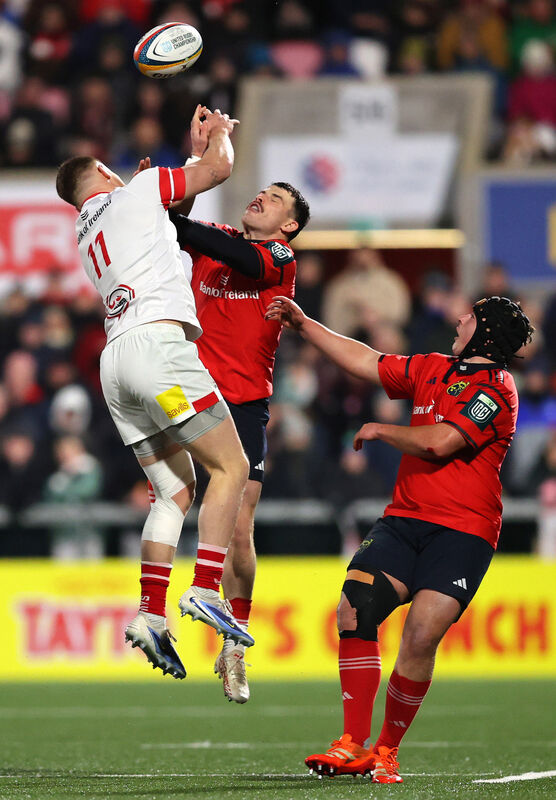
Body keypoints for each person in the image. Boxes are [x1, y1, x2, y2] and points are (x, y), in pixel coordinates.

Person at [265, 293, 534, 783]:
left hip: (464, 532)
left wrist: (380, 429)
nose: (458, 318)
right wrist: (305, 325)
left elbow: (440, 442)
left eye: (470, 315)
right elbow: (367, 360)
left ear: (487, 332)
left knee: (419, 636)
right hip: (405, 518)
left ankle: (384, 750)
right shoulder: (433, 366)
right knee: (354, 606)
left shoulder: (497, 390)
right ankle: (351, 743)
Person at [55, 108, 253, 684]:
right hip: (158, 347)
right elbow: (218, 169)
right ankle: (207, 589)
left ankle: (150, 615)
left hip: (116, 362)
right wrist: (216, 134)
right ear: (103, 174)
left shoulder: (87, 228)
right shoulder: (138, 189)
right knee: (231, 466)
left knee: (172, 492)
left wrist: (173, 174)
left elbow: (161, 221)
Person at [134, 111, 310, 701]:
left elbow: (211, 242)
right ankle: (154, 611)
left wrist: (176, 202)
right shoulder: (225, 243)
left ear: (289, 226)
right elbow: (174, 223)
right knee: (172, 498)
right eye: (262, 190)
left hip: (244, 405)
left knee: (238, 532)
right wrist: (192, 158)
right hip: (191, 390)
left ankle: (233, 643)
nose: (262, 197)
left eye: (276, 199)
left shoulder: (278, 261)